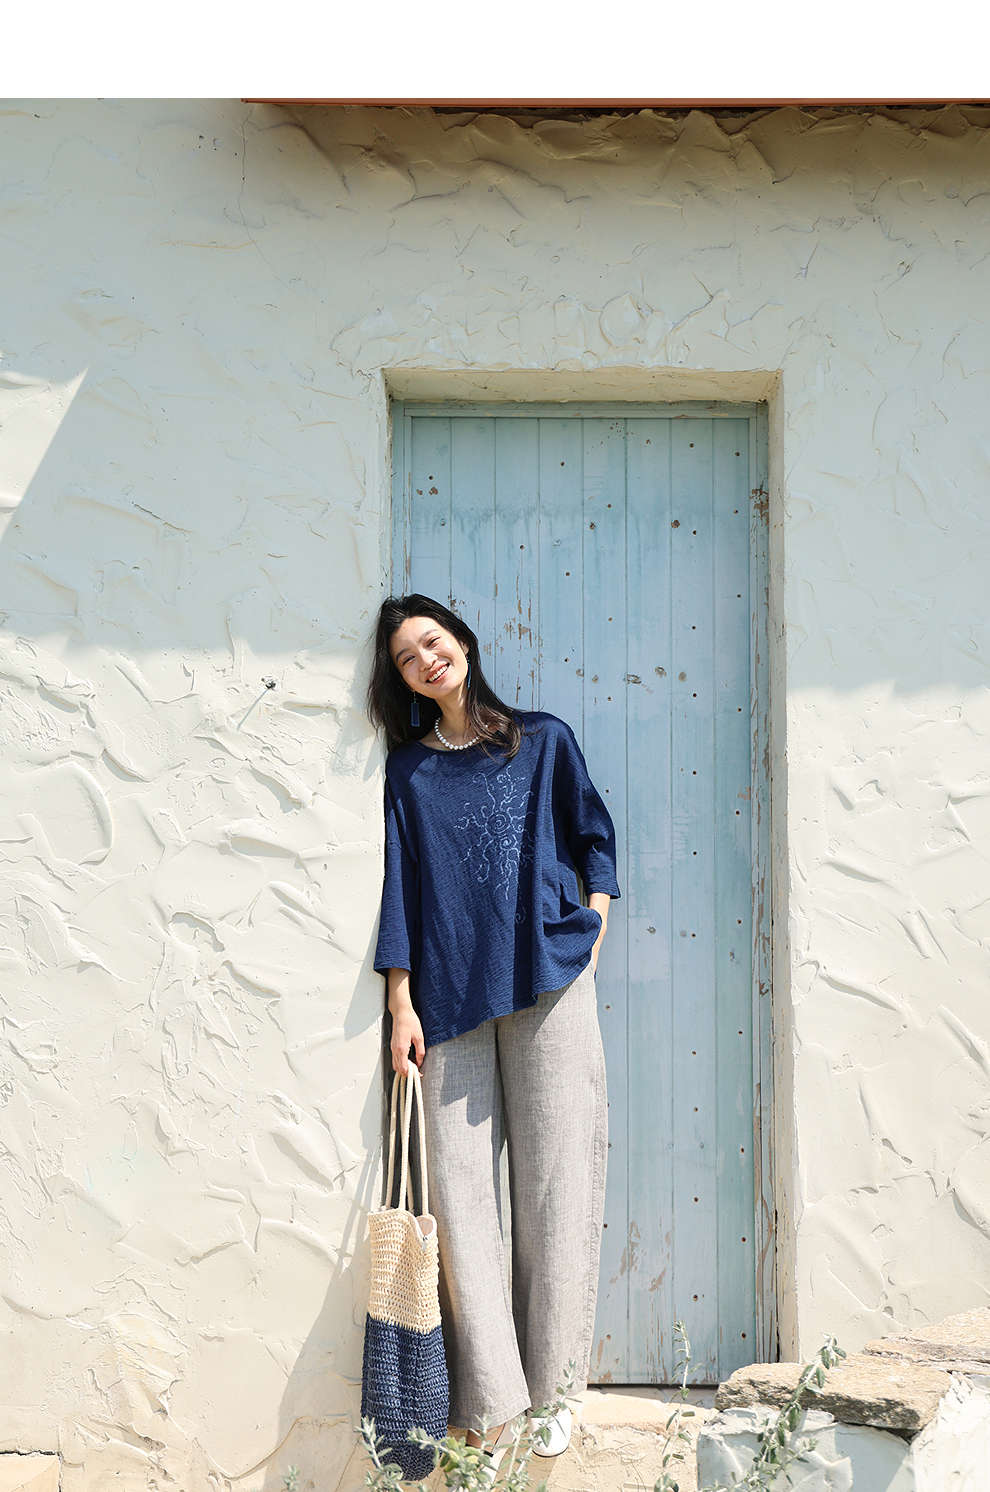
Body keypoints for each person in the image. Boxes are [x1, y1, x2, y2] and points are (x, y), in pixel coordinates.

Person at [366, 592, 620, 1473]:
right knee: (461, 1200)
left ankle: (554, 1393)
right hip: (447, 998)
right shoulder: (408, 772)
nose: (425, 661)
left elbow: (594, 839)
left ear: (464, 644)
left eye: (432, 642)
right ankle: (493, 1397)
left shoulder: (541, 740)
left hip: (550, 983)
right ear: (402, 680)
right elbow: (401, 889)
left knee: (557, 1185)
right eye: (407, 658)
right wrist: (400, 1001)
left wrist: (592, 927)